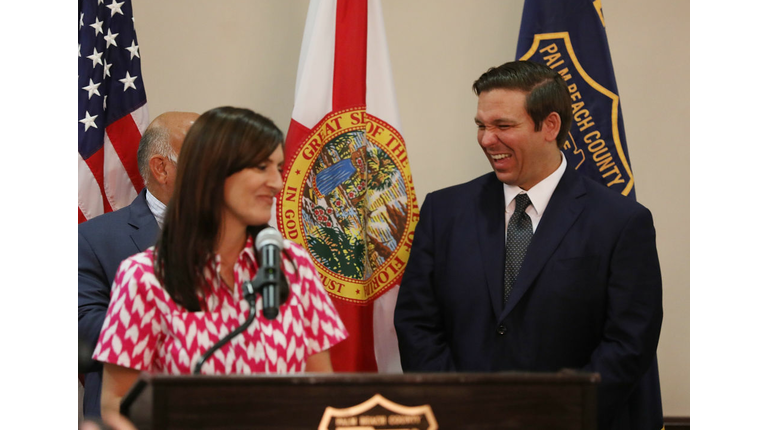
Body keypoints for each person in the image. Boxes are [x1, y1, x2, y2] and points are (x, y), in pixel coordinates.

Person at [394, 61, 663, 430]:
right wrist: (458, 408)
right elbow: (416, 324)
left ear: (549, 126)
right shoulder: (444, 212)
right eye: (481, 126)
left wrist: (553, 414)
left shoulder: (620, 222)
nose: (487, 139)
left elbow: (629, 343)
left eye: (503, 126)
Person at [92, 106, 348, 420]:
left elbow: (321, 391)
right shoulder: (146, 276)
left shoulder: (294, 266)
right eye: (260, 167)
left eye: (278, 168)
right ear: (208, 171)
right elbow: (116, 404)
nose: (277, 183)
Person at [78, 111, 199, 418]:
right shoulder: (94, 238)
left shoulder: (240, 236)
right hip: (131, 412)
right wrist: (186, 328)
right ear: (161, 168)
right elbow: (83, 331)